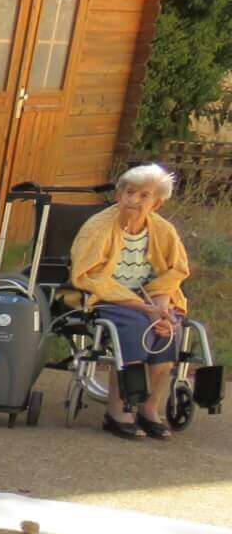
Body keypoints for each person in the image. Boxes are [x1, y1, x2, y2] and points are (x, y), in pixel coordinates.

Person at [66, 163, 195, 442]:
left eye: (143, 195)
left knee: (170, 330)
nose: (134, 200)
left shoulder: (163, 230)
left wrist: (160, 308)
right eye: (128, 192)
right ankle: (118, 413)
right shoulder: (98, 228)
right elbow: (87, 276)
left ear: (157, 202)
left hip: (153, 300)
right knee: (135, 328)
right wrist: (144, 308)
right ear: (118, 195)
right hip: (107, 298)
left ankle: (149, 410)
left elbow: (175, 271)